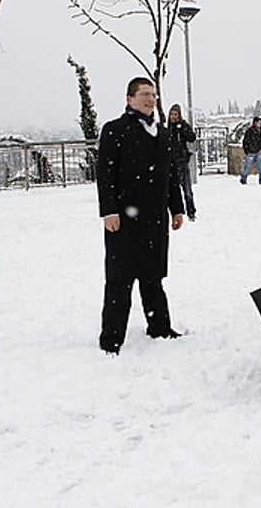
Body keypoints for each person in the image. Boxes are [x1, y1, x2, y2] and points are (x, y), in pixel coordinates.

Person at [96, 77, 186, 355]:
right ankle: (111, 338)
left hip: (155, 217)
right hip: (123, 218)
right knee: (119, 280)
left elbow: (170, 175)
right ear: (129, 99)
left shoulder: (163, 133)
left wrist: (178, 207)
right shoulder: (115, 130)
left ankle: (159, 326)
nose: (150, 99)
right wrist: (109, 210)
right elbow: (105, 174)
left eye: (153, 94)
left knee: (152, 276)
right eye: (144, 94)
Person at [166, 103, 198, 221]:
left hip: (182, 162)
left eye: (176, 114)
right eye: (172, 114)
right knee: (172, 190)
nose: (173, 117)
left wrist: (183, 127)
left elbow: (192, 137)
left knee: (187, 190)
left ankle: (191, 212)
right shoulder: (167, 129)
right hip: (171, 164)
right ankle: (175, 212)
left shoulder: (183, 127)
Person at [240, 117, 261, 185]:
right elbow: (245, 141)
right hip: (251, 152)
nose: (259, 124)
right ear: (255, 123)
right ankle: (243, 179)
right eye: (258, 122)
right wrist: (247, 151)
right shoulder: (249, 131)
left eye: (260, 123)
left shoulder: (260, 131)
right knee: (247, 167)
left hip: (258, 152)